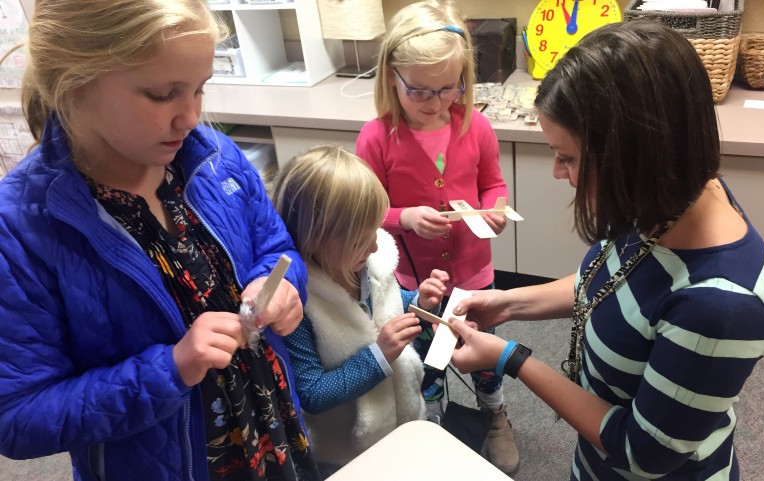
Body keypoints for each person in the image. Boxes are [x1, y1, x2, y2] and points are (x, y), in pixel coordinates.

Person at [447, 21, 764, 481]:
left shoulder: (721, 307)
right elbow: (616, 283)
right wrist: (508, 303)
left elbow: (643, 454)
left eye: (568, 157)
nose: (558, 173)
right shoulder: (664, 199)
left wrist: (511, 359)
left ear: (635, 152)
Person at [0, 1, 320, 480]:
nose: (191, 117)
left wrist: (280, 285)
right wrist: (169, 370)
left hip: (270, 428)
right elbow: (19, 416)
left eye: (200, 89)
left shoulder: (216, 158)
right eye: (162, 94)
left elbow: (277, 250)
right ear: (75, 82)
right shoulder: (20, 230)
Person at [354, 1, 519, 473]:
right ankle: (429, 422)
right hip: (410, 278)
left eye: (450, 88)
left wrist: (498, 209)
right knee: (425, 358)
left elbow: (493, 184)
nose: (437, 101)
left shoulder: (476, 125)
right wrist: (404, 218)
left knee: (479, 350)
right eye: (421, 92)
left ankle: (495, 413)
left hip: (473, 271)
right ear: (391, 78)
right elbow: (369, 209)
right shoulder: (376, 137)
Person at [271, 145, 449, 476]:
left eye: (374, 231)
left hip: (404, 414)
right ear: (315, 239)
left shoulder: (370, 261)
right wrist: (378, 356)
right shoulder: (299, 304)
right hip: (348, 450)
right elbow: (311, 393)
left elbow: (386, 304)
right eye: (359, 239)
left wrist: (418, 302)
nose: (375, 245)